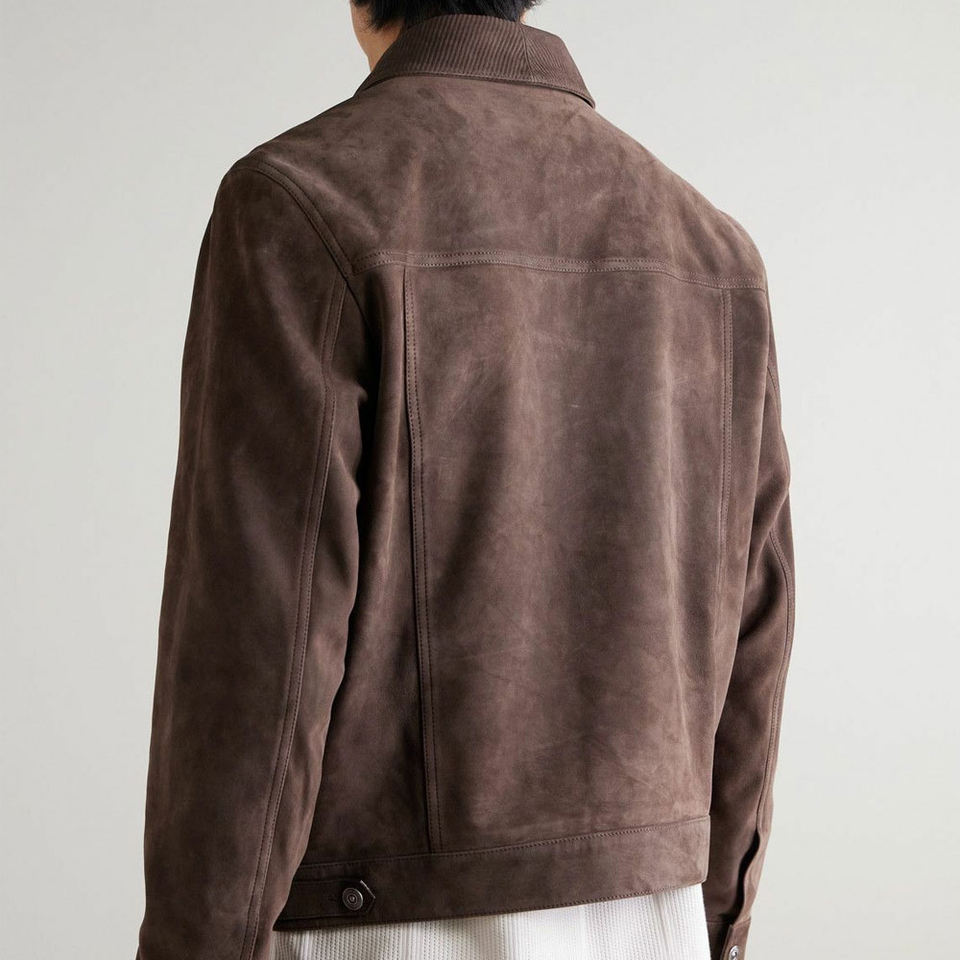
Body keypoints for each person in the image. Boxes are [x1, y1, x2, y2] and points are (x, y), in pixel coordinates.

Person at [136, 3, 796, 960]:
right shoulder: (713, 251)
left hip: (383, 927)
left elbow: (258, 648)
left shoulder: (303, 201)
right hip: (653, 920)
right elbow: (756, 631)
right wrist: (715, 919)